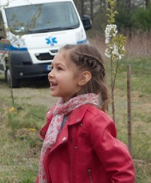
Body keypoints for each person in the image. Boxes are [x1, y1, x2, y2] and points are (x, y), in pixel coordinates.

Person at [37, 43, 135, 183]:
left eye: (59, 69)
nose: (50, 74)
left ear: (83, 78)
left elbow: (122, 168)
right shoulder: (56, 117)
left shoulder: (94, 121)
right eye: (52, 67)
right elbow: (48, 166)